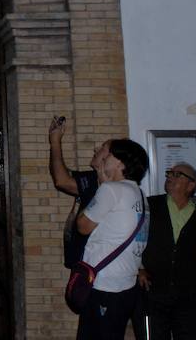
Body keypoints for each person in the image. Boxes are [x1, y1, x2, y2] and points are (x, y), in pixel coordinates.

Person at [75, 138, 149, 340]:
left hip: (104, 284)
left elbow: (82, 226)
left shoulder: (111, 190)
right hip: (126, 285)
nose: (104, 157)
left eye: (109, 154)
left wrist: (101, 188)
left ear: (121, 163)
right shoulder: (139, 194)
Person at [138, 162, 196, 340]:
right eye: (169, 173)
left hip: (190, 298)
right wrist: (138, 267)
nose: (170, 177)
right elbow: (135, 240)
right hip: (153, 293)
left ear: (191, 184)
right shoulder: (149, 206)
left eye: (177, 174)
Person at [47, 116, 112, 268]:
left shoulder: (113, 187)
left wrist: (55, 142)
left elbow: (62, 181)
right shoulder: (93, 178)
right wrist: (55, 141)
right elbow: (61, 175)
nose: (96, 149)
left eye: (103, 148)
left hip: (95, 265)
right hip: (82, 261)